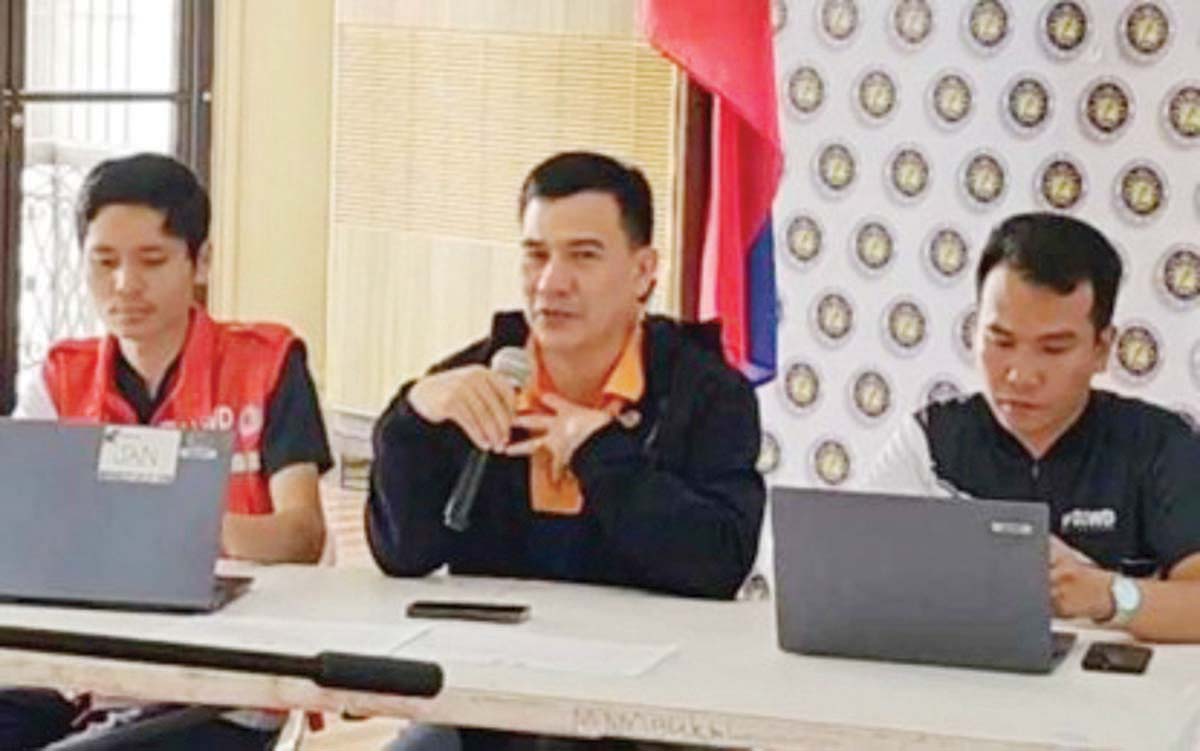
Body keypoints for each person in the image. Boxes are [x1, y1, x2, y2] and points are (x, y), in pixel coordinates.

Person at [369, 152, 764, 750]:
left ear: (643, 271)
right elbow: (404, 554)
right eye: (535, 255)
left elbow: (715, 563)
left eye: (583, 256)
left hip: (651, 714)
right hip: (494, 702)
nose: (552, 283)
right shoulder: (477, 382)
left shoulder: (706, 393)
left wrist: (600, 454)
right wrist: (411, 418)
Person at [2, 153, 333, 750]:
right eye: (104, 263)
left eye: (151, 261)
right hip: (74, 668)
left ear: (200, 261)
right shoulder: (57, 379)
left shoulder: (267, 365)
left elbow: (301, 536)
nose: (125, 285)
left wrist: (177, 527)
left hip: (218, 684)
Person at [867, 212, 1200, 642]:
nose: (1021, 375)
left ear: (1102, 349)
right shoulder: (930, 443)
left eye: (1053, 349)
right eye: (1000, 342)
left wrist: (1111, 596)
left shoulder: (1159, 444)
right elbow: (848, 581)